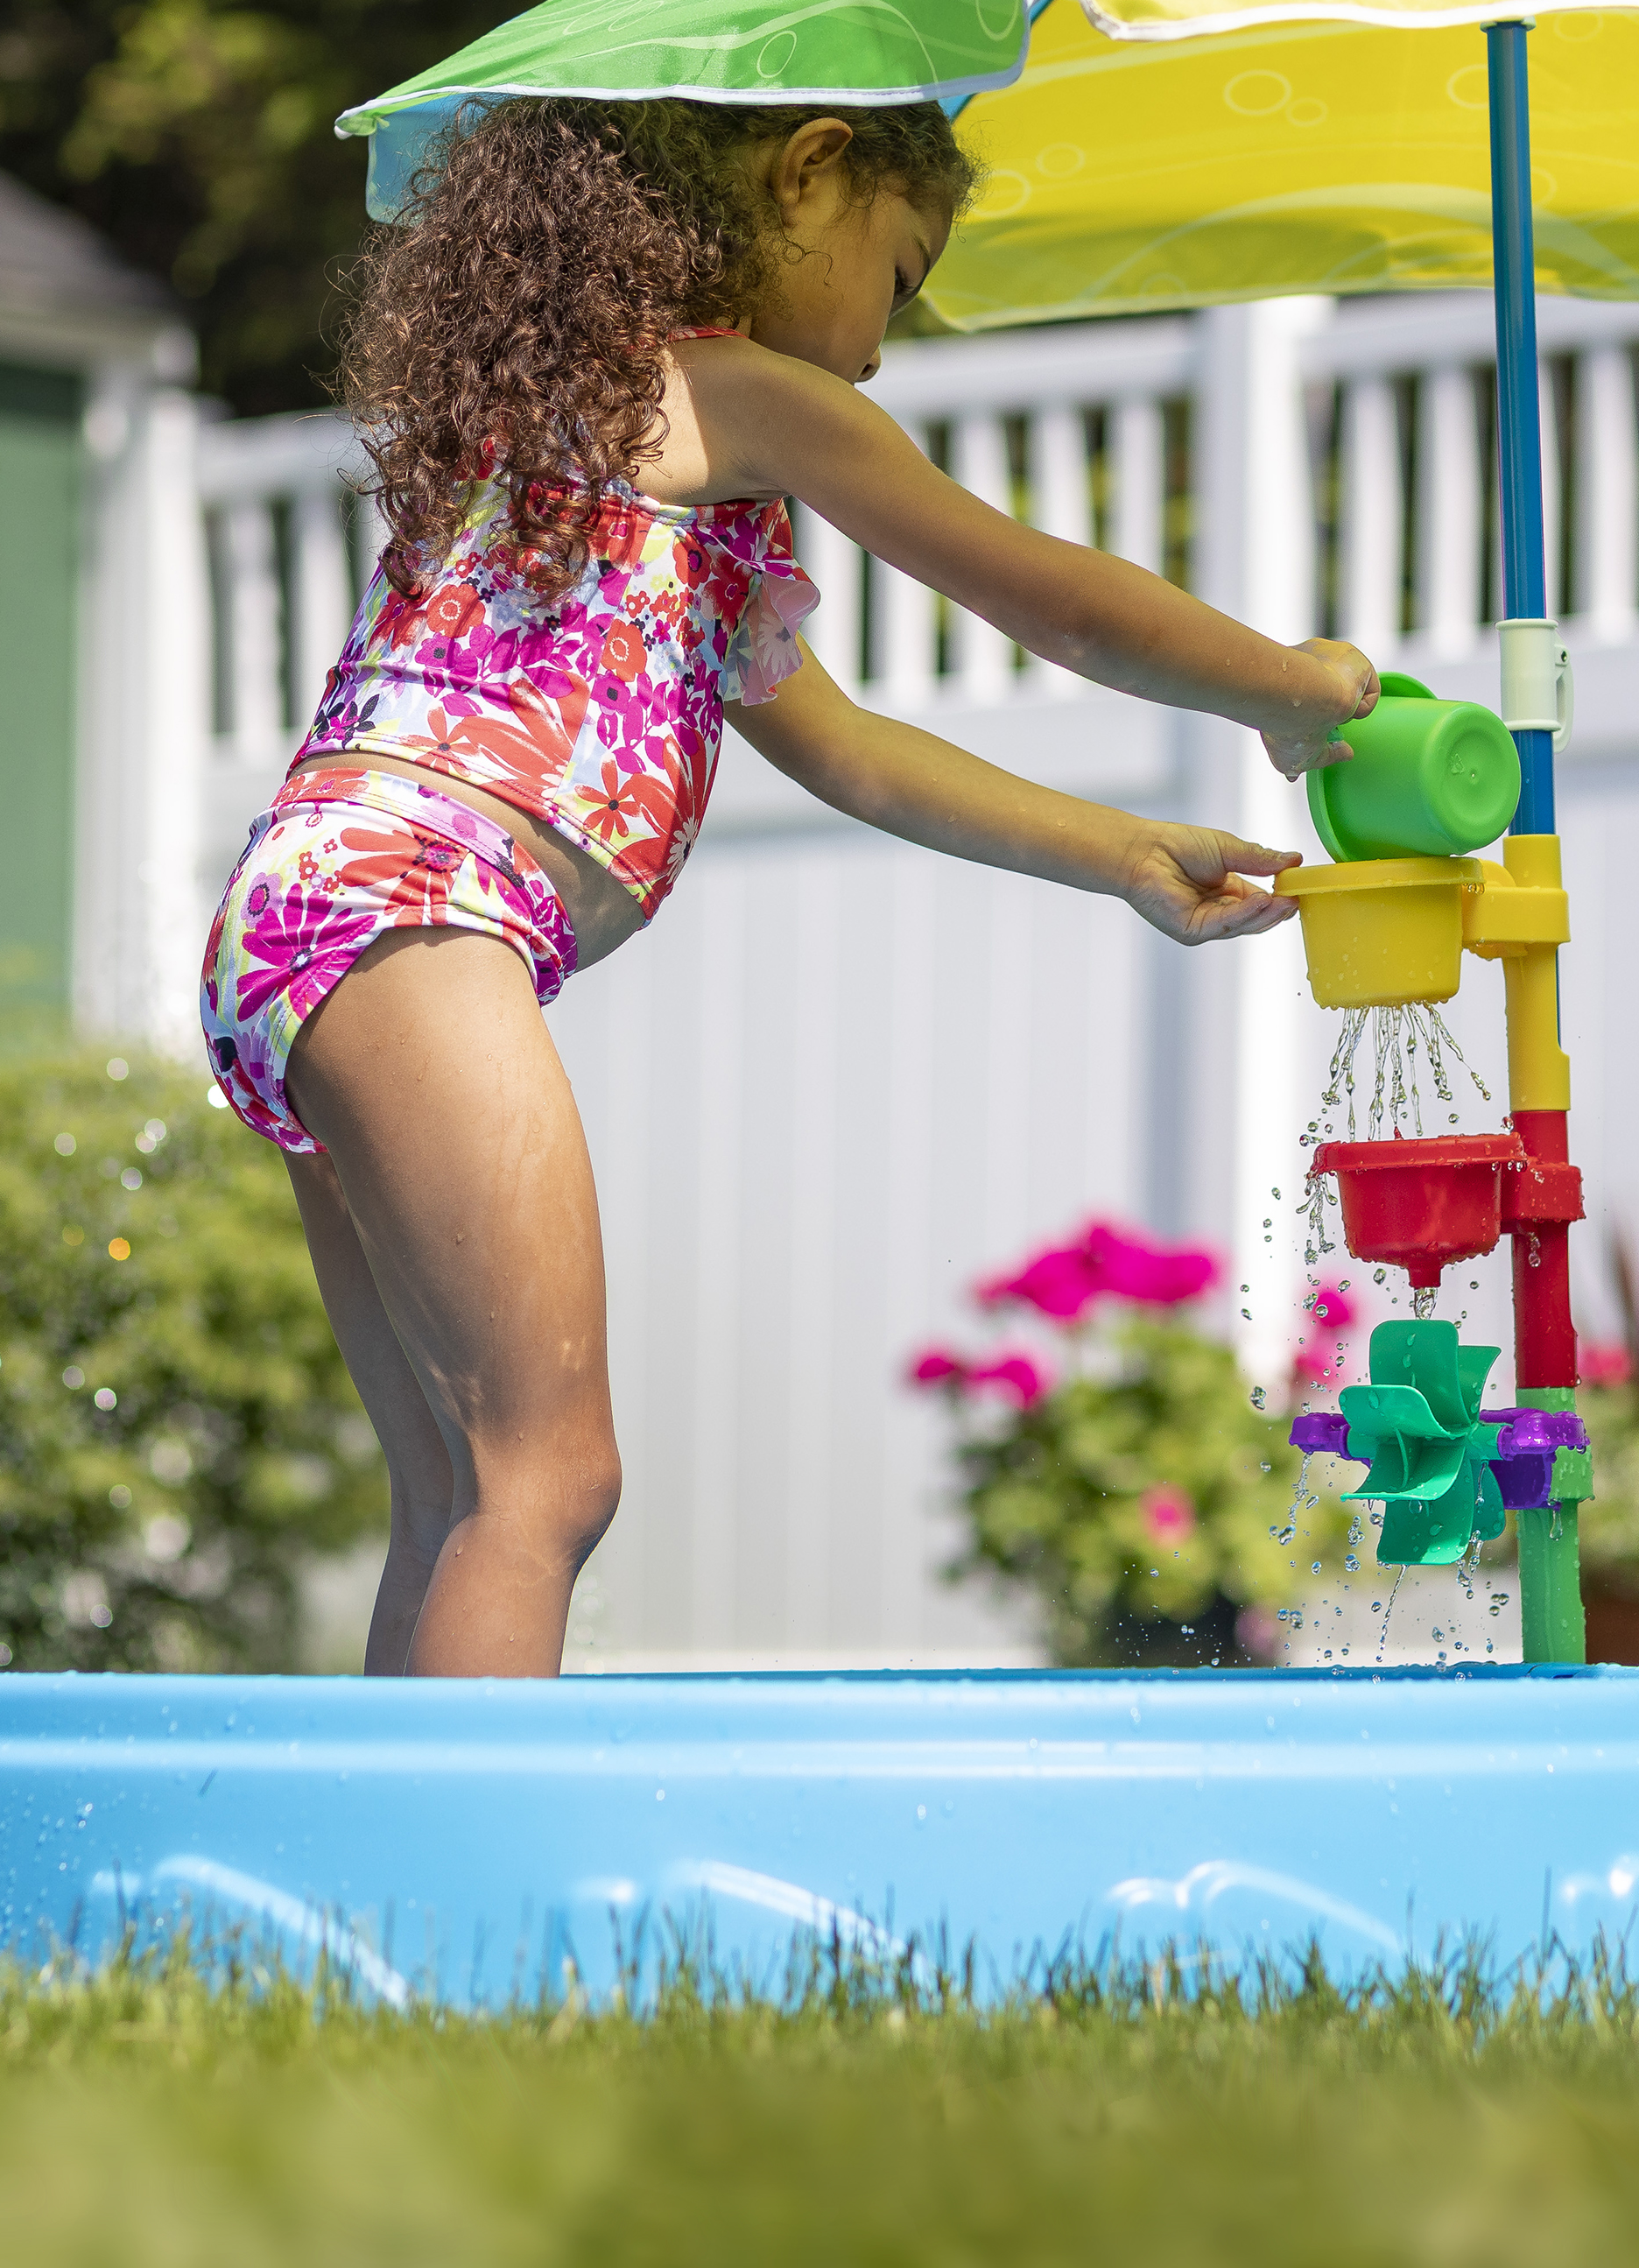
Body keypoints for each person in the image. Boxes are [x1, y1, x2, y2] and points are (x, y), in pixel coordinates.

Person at [201, 98, 1375, 1678]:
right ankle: (463, 1914)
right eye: (900, 277)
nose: (887, 348)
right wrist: (1287, 685)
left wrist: (1123, 853)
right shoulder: (721, 395)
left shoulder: (587, 433)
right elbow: (1052, 600)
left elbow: (853, 754)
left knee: (461, 1493)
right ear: (812, 167)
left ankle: (370, 1911)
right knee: (551, 1476)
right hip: (408, 908)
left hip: (316, 924)